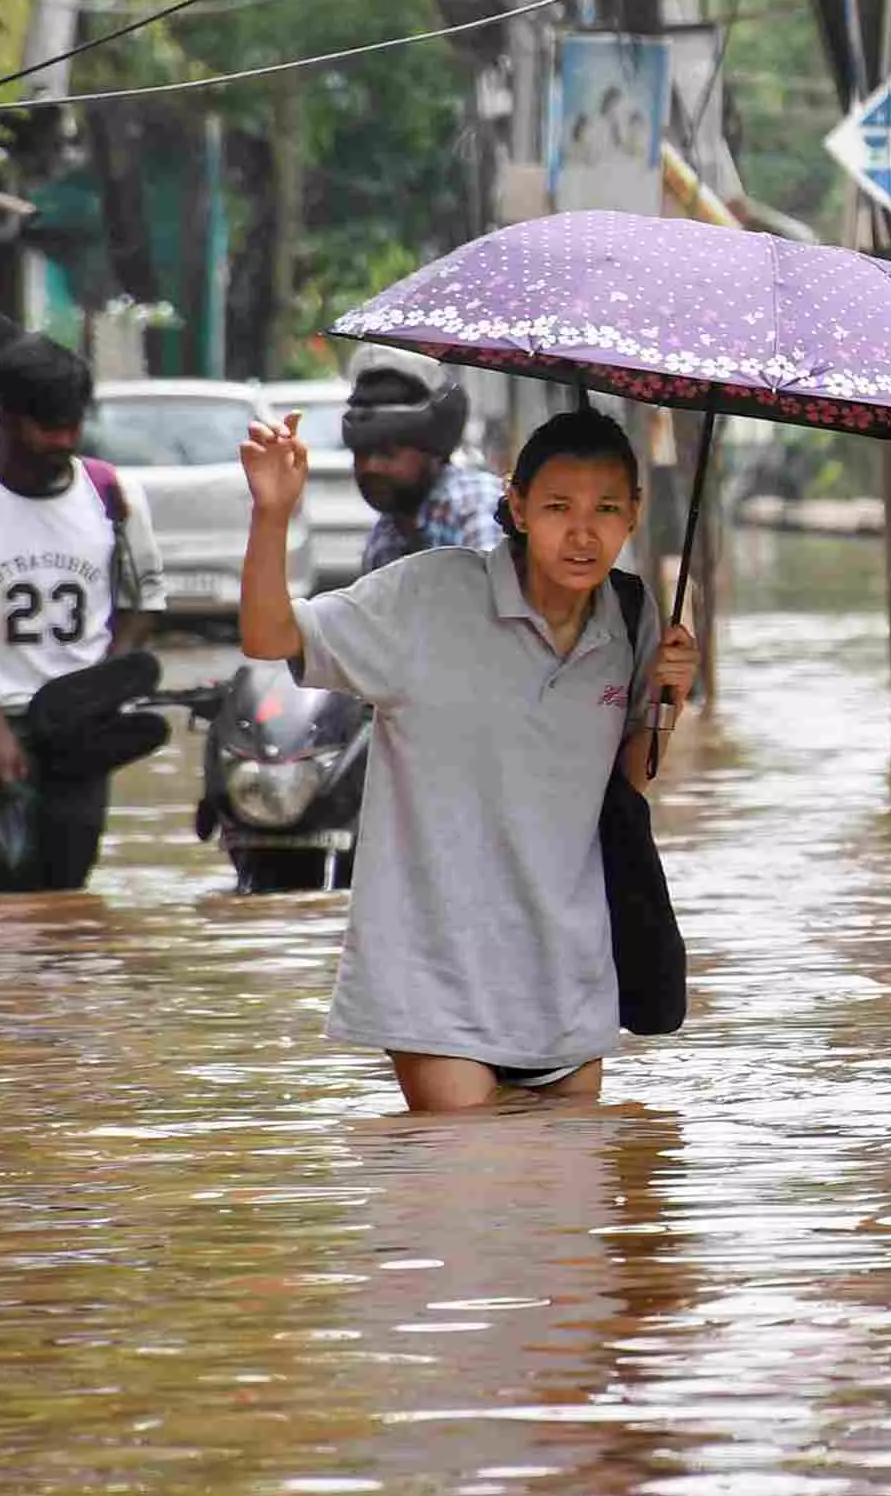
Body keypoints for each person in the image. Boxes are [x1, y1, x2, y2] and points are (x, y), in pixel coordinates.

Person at [237, 405, 700, 1112]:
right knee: (462, 1164)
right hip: (437, 972)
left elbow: (625, 783)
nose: (583, 532)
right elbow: (270, 636)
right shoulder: (426, 596)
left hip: (568, 975)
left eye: (606, 509)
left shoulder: (631, 618)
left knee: (570, 1178)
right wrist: (272, 514)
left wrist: (670, 699)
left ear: (634, 513)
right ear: (517, 504)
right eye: (558, 507)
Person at [0, 335, 169, 892]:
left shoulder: (115, 496)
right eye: (48, 427)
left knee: (69, 890)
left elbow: (142, 602)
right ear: (5, 419)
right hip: (0, 723)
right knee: (12, 893)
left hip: (82, 732)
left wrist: (102, 686)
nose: (64, 440)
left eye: (72, 425)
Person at [341, 346, 504, 574]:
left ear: (433, 451)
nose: (371, 467)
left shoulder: (474, 504)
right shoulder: (386, 536)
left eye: (387, 453)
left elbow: (496, 592)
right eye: (360, 453)